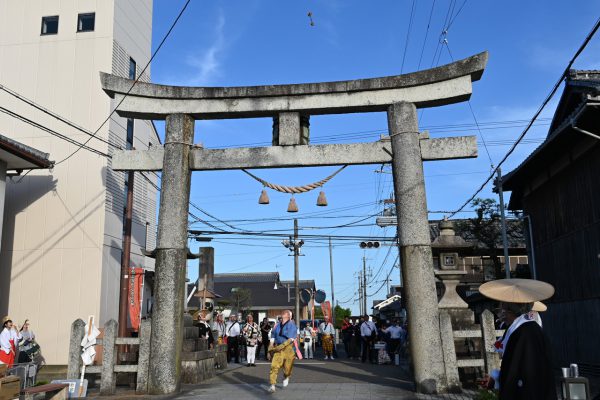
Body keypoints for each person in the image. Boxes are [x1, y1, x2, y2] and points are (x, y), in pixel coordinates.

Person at [479, 278, 557, 400]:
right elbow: (515, 370)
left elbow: (525, 375)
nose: (499, 309)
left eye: (501, 304)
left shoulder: (525, 333)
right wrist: (496, 381)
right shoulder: (524, 329)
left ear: (506, 307)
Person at [267, 310, 297, 394]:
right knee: (274, 366)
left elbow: (291, 339)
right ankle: (272, 385)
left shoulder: (292, 325)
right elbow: (273, 335)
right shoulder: (277, 325)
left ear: (289, 316)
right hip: (278, 348)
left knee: (287, 368)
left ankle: (286, 377)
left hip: (288, 348)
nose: (283, 314)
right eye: (283, 313)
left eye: (285, 313)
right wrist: (271, 345)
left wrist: (281, 346)